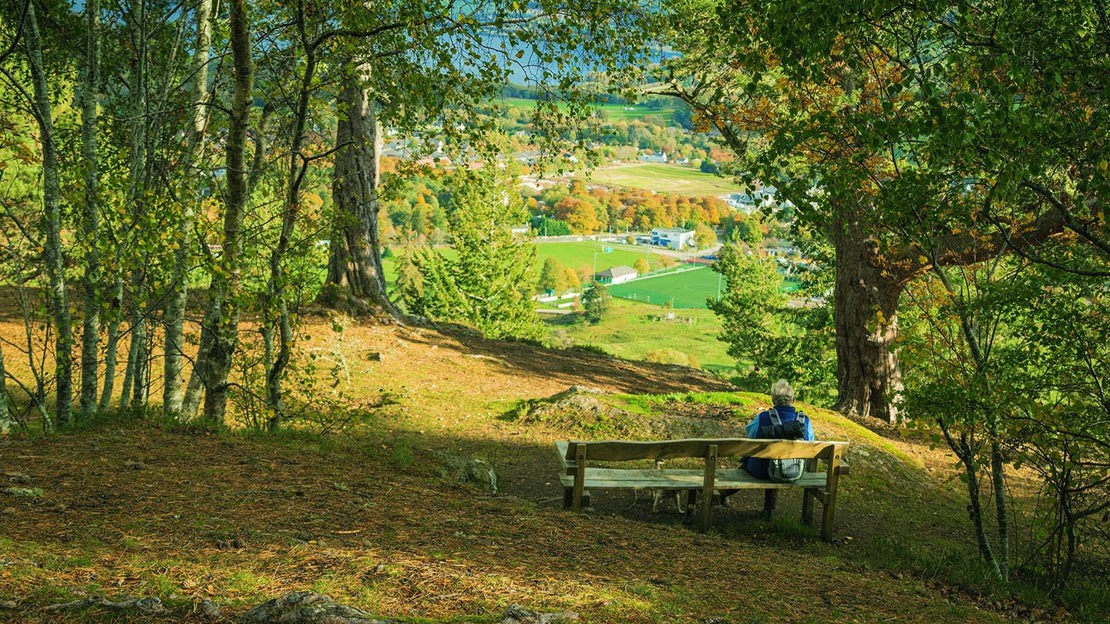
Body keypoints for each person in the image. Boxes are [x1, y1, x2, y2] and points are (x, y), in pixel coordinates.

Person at [744, 379, 814, 520]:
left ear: (773, 400)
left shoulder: (763, 417)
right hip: (794, 470)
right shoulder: (804, 420)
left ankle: (768, 508)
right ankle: (769, 509)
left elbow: (750, 435)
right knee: (777, 462)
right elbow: (810, 443)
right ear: (793, 400)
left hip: (762, 471)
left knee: (751, 462)